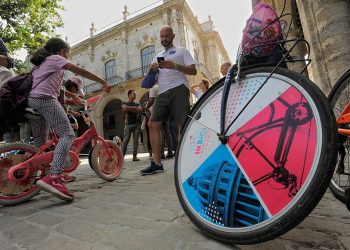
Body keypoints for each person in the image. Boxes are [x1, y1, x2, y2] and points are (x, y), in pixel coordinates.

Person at [29, 37, 111, 201]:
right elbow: (82, 72)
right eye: (68, 53)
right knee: (67, 134)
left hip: (32, 101)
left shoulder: (42, 64)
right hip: (44, 100)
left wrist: (75, 98)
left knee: (40, 142)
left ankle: (35, 177)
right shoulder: (56, 58)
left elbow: (58, 90)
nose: (68, 57)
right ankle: (54, 177)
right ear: (61, 52)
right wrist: (103, 82)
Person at [140, 26, 197, 176]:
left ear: (173, 35)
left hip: (179, 88)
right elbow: (150, 82)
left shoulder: (182, 51)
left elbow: (193, 71)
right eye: (162, 36)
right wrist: (152, 71)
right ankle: (157, 163)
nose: (164, 38)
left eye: (167, 36)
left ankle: (187, 161)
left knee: (182, 125)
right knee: (152, 123)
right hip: (162, 92)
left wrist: (175, 66)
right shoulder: (157, 56)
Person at [121, 89, 142, 161]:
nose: (135, 95)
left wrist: (129, 109)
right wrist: (134, 108)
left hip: (137, 124)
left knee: (136, 141)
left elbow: (139, 110)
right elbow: (124, 108)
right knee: (125, 141)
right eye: (134, 93)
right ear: (129, 94)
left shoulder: (137, 103)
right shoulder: (124, 102)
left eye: (135, 93)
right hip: (128, 124)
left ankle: (134, 156)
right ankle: (121, 157)